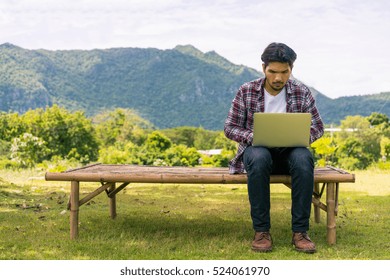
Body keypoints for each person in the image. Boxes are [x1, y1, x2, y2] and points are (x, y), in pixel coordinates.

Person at [224, 42, 324, 253]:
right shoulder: (247, 91)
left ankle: (300, 232)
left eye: (284, 72)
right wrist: (254, 136)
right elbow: (230, 127)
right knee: (259, 157)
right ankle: (261, 231)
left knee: (303, 158)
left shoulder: (301, 91)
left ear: (291, 69)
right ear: (263, 69)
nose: (278, 78)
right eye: (273, 72)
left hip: (290, 154)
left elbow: (318, 126)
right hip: (257, 152)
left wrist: (302, 137)